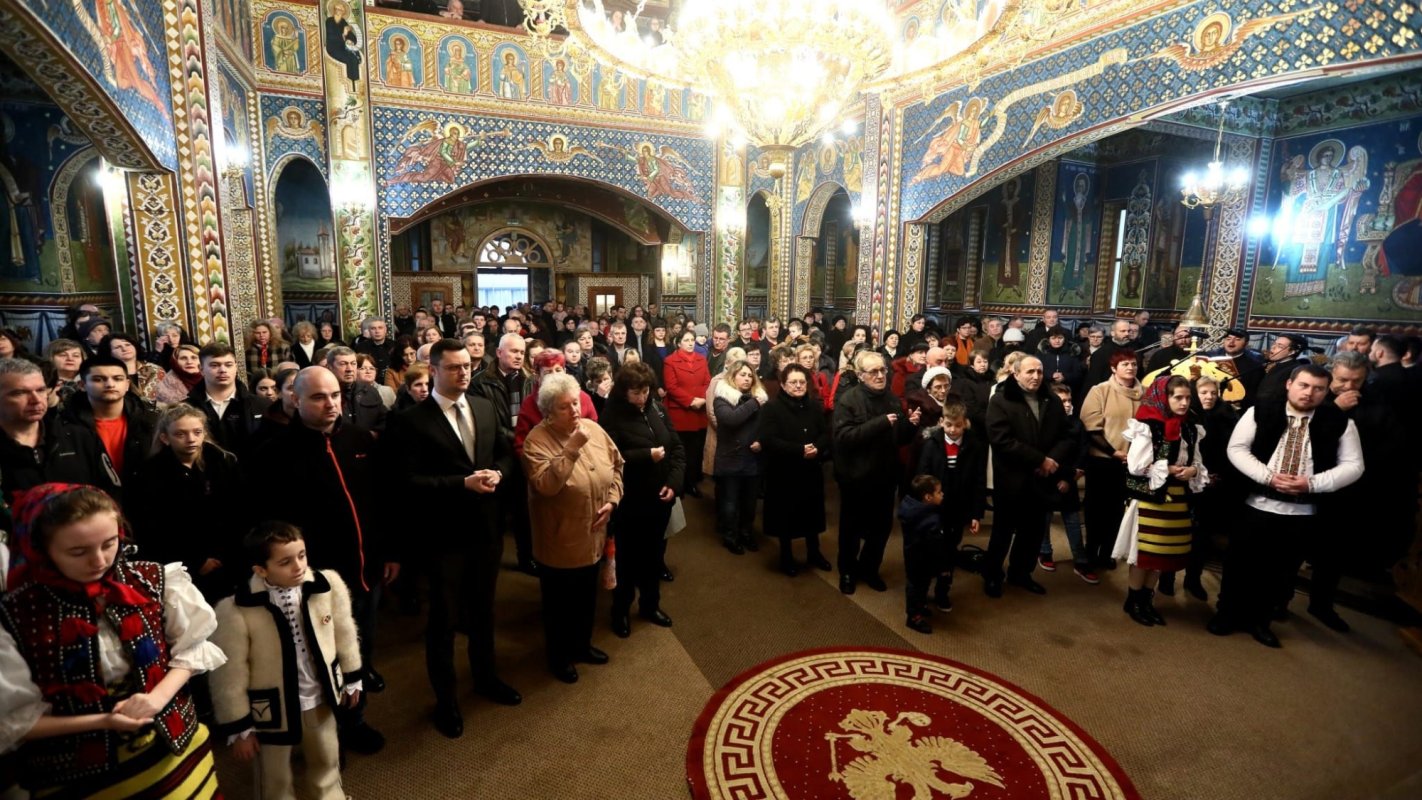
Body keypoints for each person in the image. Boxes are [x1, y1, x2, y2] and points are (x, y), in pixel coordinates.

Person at [0, 484, 226, 797]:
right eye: (78, 551)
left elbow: (192, 649)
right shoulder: (17, 615)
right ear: (42, 549)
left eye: (109, 543)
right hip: (77, 772)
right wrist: (105, 720)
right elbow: (14, 721)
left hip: (175, 748)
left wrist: (157, 700)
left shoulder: (151, 580)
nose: (99, 559)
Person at [249, 367, 394, 751]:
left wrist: (390, 552)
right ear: (296, 399)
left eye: (334, 395)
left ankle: (354, 720)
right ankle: (326, 736)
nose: (330, 404)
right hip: (314, 578)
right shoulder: (274, 453)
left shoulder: (362, 439)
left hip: (367, 572)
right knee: (318, 659)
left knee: (359, 648)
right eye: (318, 397)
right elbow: (267, 523)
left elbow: (383, 502)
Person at [384, 339, 519, 737]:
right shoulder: (411, 421)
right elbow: (404, 483)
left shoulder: (482, 406)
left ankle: (486, 679)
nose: (464, 373)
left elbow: (507, 455)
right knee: (443, 621)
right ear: (434, 372)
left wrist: (498, 473)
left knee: (483, 612)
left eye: (467, 366)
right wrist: (462, 483)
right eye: (454, 368)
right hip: (442, 536)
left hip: (486, 532)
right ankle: (446, 701)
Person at [209, 522, 363, 800]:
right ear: (260, 569)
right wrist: (239, 726)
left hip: (319, 696)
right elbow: (229, 674)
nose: (299, 566)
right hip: (270, 711)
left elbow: (344, 631)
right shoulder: (236, 609)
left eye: (302, 555)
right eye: (285, 562)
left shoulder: (326, 585)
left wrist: (352, 676)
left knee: (327, 760)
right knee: (273, 776)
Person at [1213, 364, 1363, 648]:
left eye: (1318, 389)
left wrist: (1312, 484)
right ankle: (1226, 615)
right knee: (1239, 564)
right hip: (1255, 504)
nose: (1309, 393)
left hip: (1301, 512)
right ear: (1289, 384)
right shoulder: (1262, 409)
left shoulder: (1339, 420)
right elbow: (1237, 448)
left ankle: (1260, 621)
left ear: (1326, 391)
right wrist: (1268, 477)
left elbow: (1354, 466)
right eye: (1304, 386)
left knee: (1280, 571)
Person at [520, 373, 623, 683]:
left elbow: (617, 466)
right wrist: (573, 447)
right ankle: (559, 656)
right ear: (549, 411)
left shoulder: (593, 427)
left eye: (576, 403)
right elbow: (547, 486)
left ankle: (581, 645)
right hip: (560, 540)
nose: (575, 411)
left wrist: (613, 501)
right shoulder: (536, 441)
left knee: (585, 599)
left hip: (594, 533)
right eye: (565, 407)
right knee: (559, 606)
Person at [1112, 376, 1209, 626]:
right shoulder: (1148, 425)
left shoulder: (1190, 427)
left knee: (1161, 557)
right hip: (1150, 499)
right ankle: (1133, 600)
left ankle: (1146, 600)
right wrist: (1168, 469)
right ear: (1164, 397)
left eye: (1188, 397)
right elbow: (1136, 466)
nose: (1184, 402)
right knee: (1145, 554)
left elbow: (1196, 460)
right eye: (1177, 397)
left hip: (1177, 499)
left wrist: (1193, 471)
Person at [129, 403, 245, 602]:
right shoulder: (150, 474)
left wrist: (227, 553)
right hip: (182, 565)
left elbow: (237, 510)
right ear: (165, 438)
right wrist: (196, 560)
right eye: (180, 434)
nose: (191, 439)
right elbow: (155, 527)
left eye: (197, 432)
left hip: (227, 557)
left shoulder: (222, 462)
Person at [599, 361, 683, 633]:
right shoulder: (612, 414)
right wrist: (646, 456)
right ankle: (620, 611)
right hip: (630, 501)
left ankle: (650, 605)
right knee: (628, 561)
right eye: (636, 392)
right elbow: (610, 458)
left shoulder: (656, 408)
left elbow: (677, 448)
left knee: (653, 557)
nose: (642, 397)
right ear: (624, 391)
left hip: (659, 499)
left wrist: (674, 483)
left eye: (646, 390)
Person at [984, 355, 1075, 597]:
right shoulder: (1001, 400)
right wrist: (1039, 460)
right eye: (1029, 372)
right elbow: (1001, 440)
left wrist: (1051, 460)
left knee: (1032, 532)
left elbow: (1066, 435)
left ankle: (1021, 573)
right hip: (1012, 478)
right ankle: (992, 575)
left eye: (1039, 371)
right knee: (1002, 532)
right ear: (1015, 374)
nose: (1036, 376)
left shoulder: (1051, 399)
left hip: (1042, 478)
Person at [832, 350, 920, 594]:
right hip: (856, 477)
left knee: (880, 529)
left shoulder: (891, 398)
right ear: (861, 375)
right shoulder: (849, 400)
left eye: (883, 370)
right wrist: (880, 423)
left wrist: (910, 426)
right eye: (874, 372)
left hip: (885, 476)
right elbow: (843, 437)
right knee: (850, 529)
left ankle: (870, 569)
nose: (881, 375)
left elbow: (898, 437)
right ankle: (848, 571)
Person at [0, 358, 117, 505]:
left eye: (41, 390)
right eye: (19, 393)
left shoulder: (80, 437)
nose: (36, 400)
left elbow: (111, 496)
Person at [914, 400, 987, 614]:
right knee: (928, 553)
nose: (953, 430)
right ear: (941, 422)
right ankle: (921, 592)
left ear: (965, 423)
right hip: (933, 511)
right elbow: (922, 477)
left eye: (957, 425)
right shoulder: (931, 444)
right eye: (948, 425)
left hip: (959, 509)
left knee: (949, 554)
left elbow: (978, 481)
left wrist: (976, 513)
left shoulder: (975, 445)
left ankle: (942, 592)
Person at [760, 364, 832, 576]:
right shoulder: (771, 408)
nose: (799, 386)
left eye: (802, 382)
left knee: (812, 513)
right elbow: (768, 440)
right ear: (783, 384)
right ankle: (786, 556)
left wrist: (817, 448)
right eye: (793, 382)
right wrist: (799, 450)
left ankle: (814, 552)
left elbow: (825, 433)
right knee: (786, 516)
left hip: (810, 469)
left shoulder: (814, 406)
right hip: (784, 471)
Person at [63, 355, 159, 501]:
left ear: (127, 384)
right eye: (98, 379)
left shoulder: (150, 421)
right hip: (90, 504)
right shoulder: (66, 425)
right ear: (82, 385)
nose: (110, 384)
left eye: (117, 378)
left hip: (143, 503)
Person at [1079, 349, 1142, 569]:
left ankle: (1108, 552)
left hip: (1132, 463)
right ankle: (1090, 552)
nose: (1130, 368)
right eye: (1124, 364)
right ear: (1114, 368)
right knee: (1097, 510)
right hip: (1102, 460)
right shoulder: (1100, 391)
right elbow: (1091, 427)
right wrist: (1113, 452)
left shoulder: (1143, 393)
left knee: (1117, 511)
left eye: (1133, 364)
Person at [1035, 382, 1096, 583]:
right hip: (1047, 477)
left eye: (1069, 400)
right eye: (1062, 401)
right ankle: (1044, 551)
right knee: (1043, 518)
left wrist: (1070, 478)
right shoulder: (1044, 424)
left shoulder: (1077, 424)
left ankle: (1080, 559)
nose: (1068, 404)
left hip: (1069, 478)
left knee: (1072, 519)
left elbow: (1082, 451)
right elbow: (1045, 454)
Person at [713, 359, 767, 555]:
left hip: (753, 459)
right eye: (742, 374)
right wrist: (754, 403)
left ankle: (746, 533)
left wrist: (761, 441)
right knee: (730, 502)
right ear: (732, 376)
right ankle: (730, 536)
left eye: (749, 375)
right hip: (731, 458)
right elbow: (731, 419)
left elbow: (767, 425)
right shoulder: (722, 398)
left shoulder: (760, 398)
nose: (747, 378)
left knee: (750, 503)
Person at [187, 343, 263, 458]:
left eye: (228, 365)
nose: (222, 370)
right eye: (214, 365)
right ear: (201, 369)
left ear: (236, 367)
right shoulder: (187, 408)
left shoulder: (260, 405)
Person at [662, 329, 710, 497]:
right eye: (687, 340)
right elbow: (671, 387)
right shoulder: (670, 361)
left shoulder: (702, 359)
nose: (690, 343)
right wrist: (690, 401)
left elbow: (707, 382)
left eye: (692, 340)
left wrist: (702, 400)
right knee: (680, 451)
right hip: (680, 412)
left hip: (699, 412)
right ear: (679, 342)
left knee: (696, 451)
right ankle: (679, 486)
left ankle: (692, 484)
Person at [898, 475, 948, 634]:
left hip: (912, 556)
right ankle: (914, 617)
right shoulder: (930, 519)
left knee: (918, 586)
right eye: (939, 493)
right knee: (917, 588)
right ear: (928, 497)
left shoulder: (909, 507)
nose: (942, 495)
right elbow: (936, 546)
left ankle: (919, 607)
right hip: (923, 560)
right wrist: (943, 566)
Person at [103, 333, 166, 404]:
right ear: (109, 353)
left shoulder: (155, 370)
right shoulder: (106, 374)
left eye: (128, 345)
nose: (124, 349)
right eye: (118, 347)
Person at [44, 338, 85, 409]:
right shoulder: (41, 383)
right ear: (50, 358)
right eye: (63, 355)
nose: (70, 359)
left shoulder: (89, 383)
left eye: (76, 356)